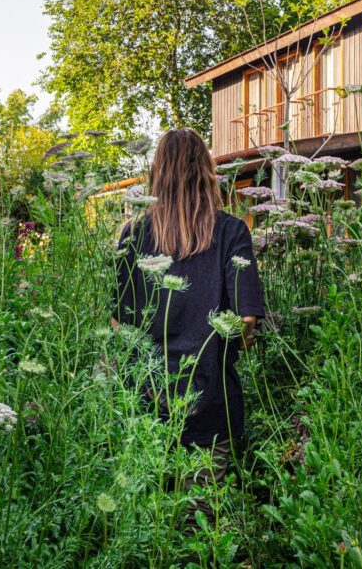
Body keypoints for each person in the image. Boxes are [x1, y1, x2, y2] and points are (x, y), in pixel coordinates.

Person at [111, 128, 266, 509]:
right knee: (200, 532)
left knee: (148, 532)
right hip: (211, 408)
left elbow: (118, 326)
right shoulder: (232, 231)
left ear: (157, 173)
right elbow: (247, 321)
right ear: (206, 171)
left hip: (143, 410)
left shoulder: (134, 235)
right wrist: (221, 353)